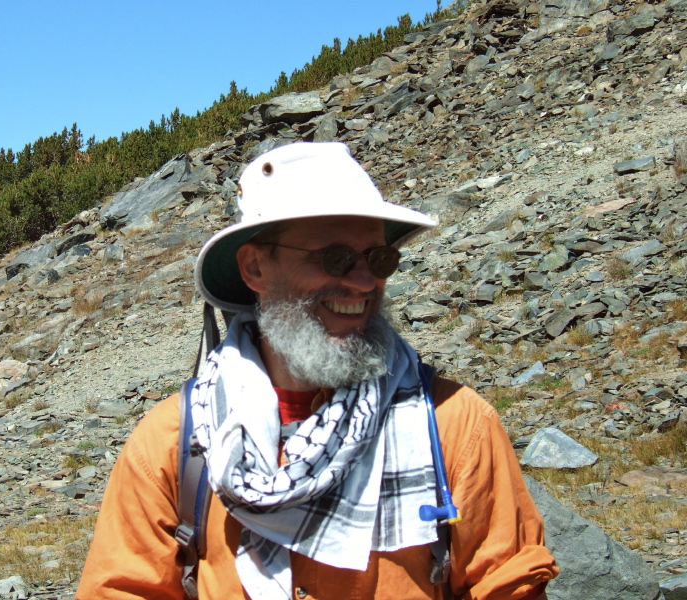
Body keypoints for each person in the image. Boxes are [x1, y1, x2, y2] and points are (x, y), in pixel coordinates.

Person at [79, 142, 556, 600]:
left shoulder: (454, 425)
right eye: (335, 258)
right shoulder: (177, 442)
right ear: (255, 269)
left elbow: (511, 586)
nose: (365, 281)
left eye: (378, 258)